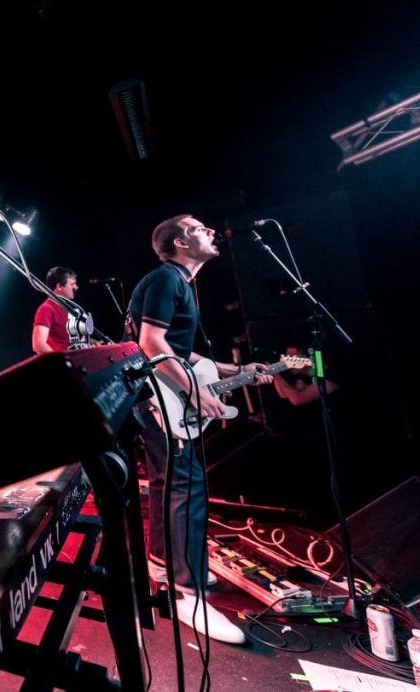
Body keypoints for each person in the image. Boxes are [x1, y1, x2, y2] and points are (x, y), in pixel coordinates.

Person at [127, 214, 271, 645]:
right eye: (198, 228)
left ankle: (161, 564)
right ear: (179, 242)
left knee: (168, 482)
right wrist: (192, 392)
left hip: (156, 395)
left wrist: (236, 371)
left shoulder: (179, 283)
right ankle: (187, 594)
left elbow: (180, 352)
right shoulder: (166, 279)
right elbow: (150, 344)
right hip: (160, 398)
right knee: (185, 487)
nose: (209, 231)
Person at [32, 266, 88, 353]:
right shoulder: (46, 309)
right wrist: (61, 359)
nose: (76, 287)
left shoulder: (68, 309)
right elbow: (39, 345)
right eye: (72, 284)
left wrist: (96, 344)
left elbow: (71, 340)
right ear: (59, 286)